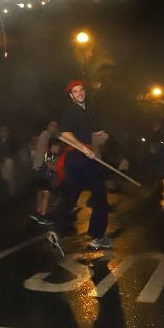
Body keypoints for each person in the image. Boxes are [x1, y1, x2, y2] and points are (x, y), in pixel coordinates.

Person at [48, 79, 112, 253]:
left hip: (83, 158)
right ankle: (97, 237)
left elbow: (84, 134)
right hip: (79, 158)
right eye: (75, 91)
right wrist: (85, 148)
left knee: (71, 196)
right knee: (99, 195)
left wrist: (97, 136)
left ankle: (55, 230)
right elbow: (65, 134)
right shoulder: (72, 111)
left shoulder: (85, 112)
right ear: (71, 96)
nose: (80, 93)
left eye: (81, 90)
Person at [30, 137, 61, 224]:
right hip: (44, 177)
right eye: (58, 146)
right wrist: (60, 170)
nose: (59, 148)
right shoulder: (49, 154)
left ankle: (38, 211)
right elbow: (49, 165)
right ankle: (43, 215)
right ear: (53, 146)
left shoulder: (53, 155)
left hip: (43, 176)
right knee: (46, 194)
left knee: (42, 193)